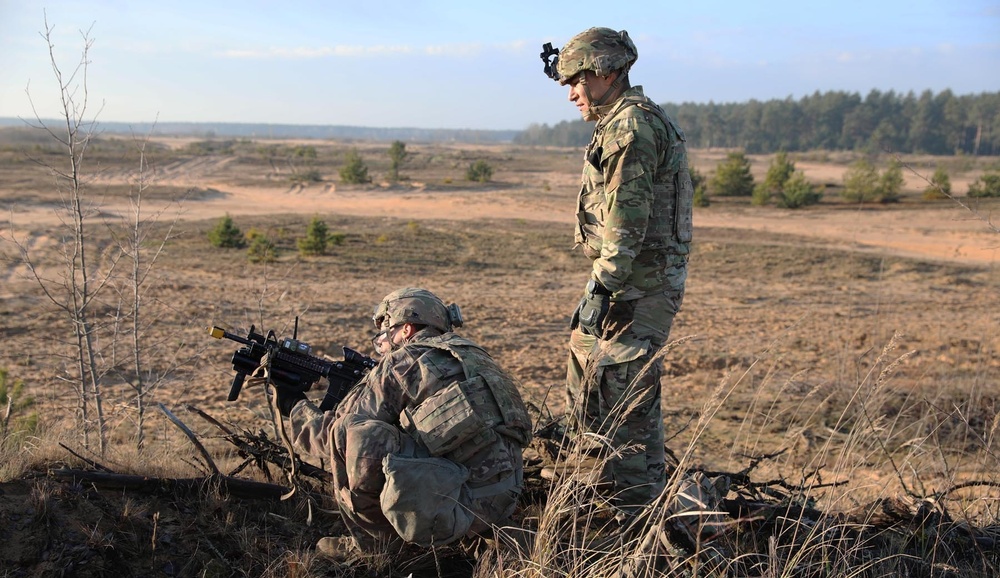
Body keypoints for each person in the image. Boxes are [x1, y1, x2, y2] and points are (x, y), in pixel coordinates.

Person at [540, 27, 694, 510]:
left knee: (623, 402)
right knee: (609, 391)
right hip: (631, 282)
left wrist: (602, 288)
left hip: (637, 287)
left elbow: (627, 221)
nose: (571, 95)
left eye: (577, 82)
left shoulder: (631, 127)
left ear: (606, 73)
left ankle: (631, 516)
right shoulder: (622, 122)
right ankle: (637, 500)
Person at [274, 288, 533, 557]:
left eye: (385, 334)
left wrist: (294, 405)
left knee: (350, 434)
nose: (382, 345)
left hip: (456, 506)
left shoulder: (404, 361)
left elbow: (328, 437)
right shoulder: (476, 358)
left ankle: (376, 549)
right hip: (501, 502)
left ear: (406, 329)